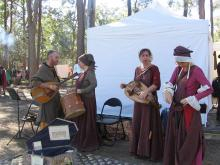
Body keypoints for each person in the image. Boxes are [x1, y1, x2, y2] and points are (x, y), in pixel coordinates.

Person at [163, 46, 213, 165]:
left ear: (187, 60)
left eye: (181, 62)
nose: (179, 64)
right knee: (175, 135)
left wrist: (193, 98)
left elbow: (209, 89)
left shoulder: (196, 71)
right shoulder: (177, 69)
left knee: (188, 136)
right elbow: (170, 84)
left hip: (189, 111)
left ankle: (188, 161)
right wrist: (168, 92)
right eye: (178, 62)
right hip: (176, 108)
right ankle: (175, 160)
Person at [121, 48, 163, 161]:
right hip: (139, 102)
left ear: (150, 57)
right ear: (139, 57)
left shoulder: (154, 69)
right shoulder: (137, 69)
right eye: (143, 55)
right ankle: (138, 150)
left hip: (150, 101)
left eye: (147, 55)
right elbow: (135, 84)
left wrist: (146, 92)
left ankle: (149, 152)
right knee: (139, 124)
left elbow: (156, 84)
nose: (145, 57)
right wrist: (126, 86)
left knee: (148, 124)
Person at [72, 53, 101, 151]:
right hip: (82, 100)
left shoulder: (90, 72)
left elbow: (94, 84)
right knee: (82, 120)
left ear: (84, 62)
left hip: (88, 100)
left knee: (87, 121)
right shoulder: (84, 72)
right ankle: (81, 139)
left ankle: (88, 142)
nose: (78, 63)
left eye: (79, 61)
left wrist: (82, 91)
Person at [31, 50, 64, 128]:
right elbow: (34, 82)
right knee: (47, 125)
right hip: (47, 102)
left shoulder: (52, 68)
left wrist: (57, 85)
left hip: (54, 99)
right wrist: (49, 86)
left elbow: (53, 81)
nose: (58, 59)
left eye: (58, 57)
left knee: (54, 123)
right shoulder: (43, 69)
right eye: (56, 57)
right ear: (50, 57)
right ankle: (45, 139)